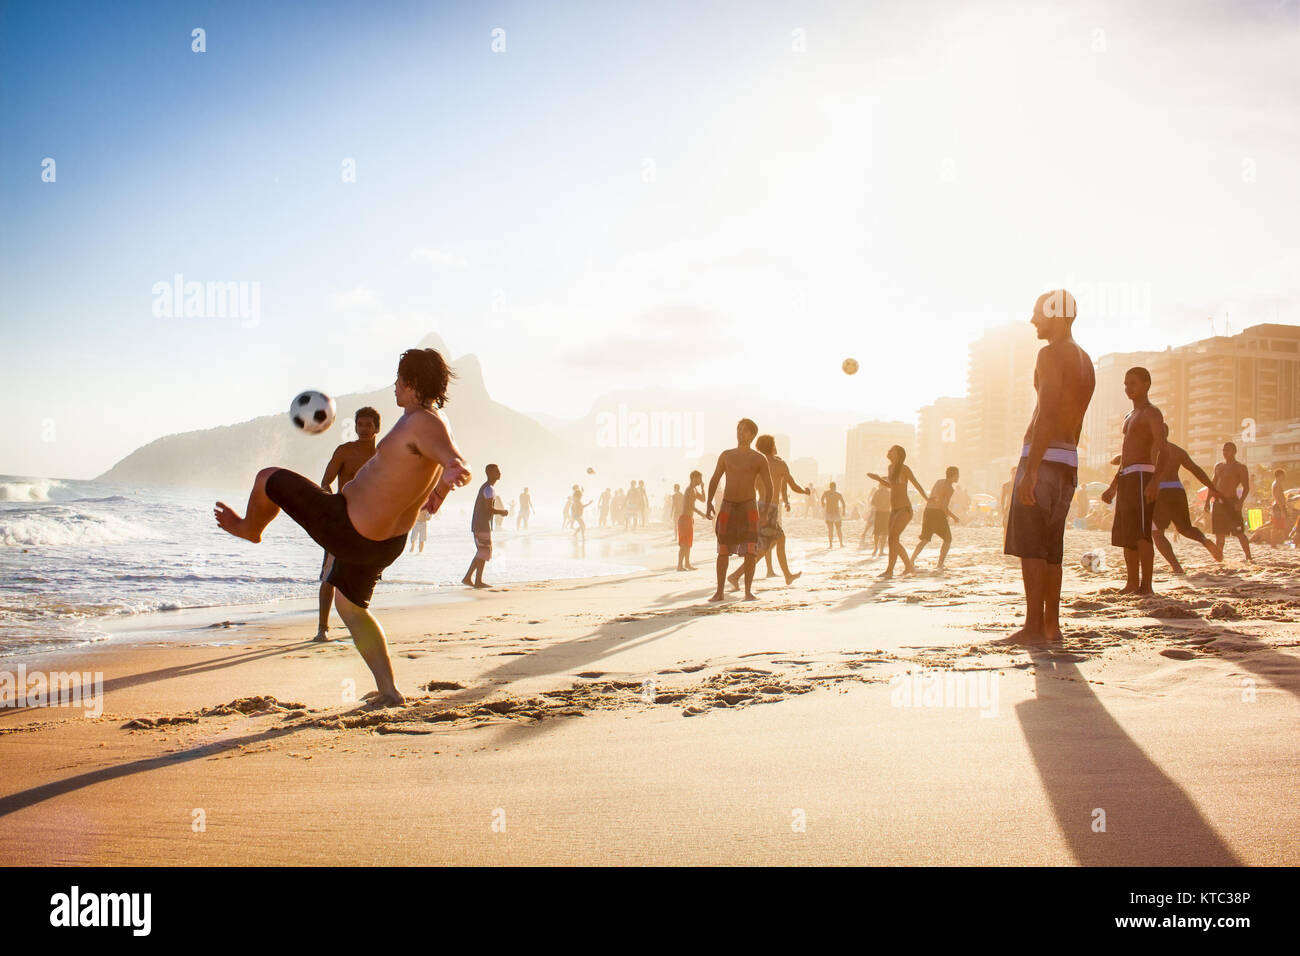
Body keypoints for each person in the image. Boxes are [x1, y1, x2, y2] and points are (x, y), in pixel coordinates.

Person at [214, 348, 471, 706]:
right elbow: (447, 459)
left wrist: (449, 480)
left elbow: (456, 463)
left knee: (267, 477)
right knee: (350, 608)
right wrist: (441, 487)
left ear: (411, 384)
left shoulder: (422, 423)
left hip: (348, 528)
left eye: (398, 379)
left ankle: (250, 529)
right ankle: (389, 691)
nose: (394, 386)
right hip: (383, 543)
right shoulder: (433, 419)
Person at [1001, 290, 1094, 645]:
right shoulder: (1085, 359)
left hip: (1044, 459)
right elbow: (1076, 422)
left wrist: (1033, 466)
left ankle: (1032, 627)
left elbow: (1049, 409)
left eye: (1038, 313)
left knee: (1031, 546)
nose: (1032, 320)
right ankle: (1051, 626)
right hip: (1068, 461)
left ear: (1056, 316)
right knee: (1052, 547)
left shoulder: (1050, 353)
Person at [313, 407, 381, 642]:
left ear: (376, 429)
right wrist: (333, 505)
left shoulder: (382, 455)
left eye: (368, 425)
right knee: (330, 575)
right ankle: (323, 628)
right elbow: (325, 482)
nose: (363, 429)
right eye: (360, 424)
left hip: (370, 522)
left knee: (363, 575)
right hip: (342, 520)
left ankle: (358, 627)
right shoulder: (345, 451)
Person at [1100, 367, 1164, 594]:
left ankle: (1146, 585)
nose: (1128, 388)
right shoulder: (1129, 416)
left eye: (1133, 383)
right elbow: (1125, 455)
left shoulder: (1152, 413)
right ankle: (1131, 583)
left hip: (1143, 476)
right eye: (1126, 384)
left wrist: (1155, 481)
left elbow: (1162, 449)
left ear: (1146, 384)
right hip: (1127, 476)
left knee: (1142, 533)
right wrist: (1113, 486)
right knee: (1128, 535)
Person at [706, 419, 773, 601]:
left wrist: (765, 511)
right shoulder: (727, 455)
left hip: (748, 506)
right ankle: (719, 592)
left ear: (752, 435)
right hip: (728, 505)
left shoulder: (759, 458)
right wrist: (709, 502)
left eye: (744, 430)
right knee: (723, 550)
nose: (740, 433)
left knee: (750, 551)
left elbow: (769, 486)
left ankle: (748, 592)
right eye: (738, 429)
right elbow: (714, 479)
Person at [729, 434, 807, 588]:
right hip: (770, 510)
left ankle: (787, 575)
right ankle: (735, 575)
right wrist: (805, 491)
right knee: (763, 549)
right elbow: (793, 485)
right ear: (772, 446)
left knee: (779, 539)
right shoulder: (780, 464)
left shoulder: (757, 463)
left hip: (759, 506)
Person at [1145, 424, 1224, 573]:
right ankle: (1204, 540)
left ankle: (1176, 567)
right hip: (1177, 490)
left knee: (1157, 534)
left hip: (1160, 492)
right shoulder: (1177, 450)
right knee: (1185, 528)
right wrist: (1212, 488)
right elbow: (1195, 469)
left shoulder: (1149, 450)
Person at [868, 445, 928, 578]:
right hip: (894, 509)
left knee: (893, 538)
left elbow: (916, 484)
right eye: (889, 450)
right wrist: (878, 479)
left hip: (904, 509)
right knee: (892, 539)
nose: (889, 451)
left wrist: (927, 499)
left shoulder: (904, 469)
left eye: (892, 450)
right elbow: (892, 486)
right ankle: (906, 567)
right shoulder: (890, 468)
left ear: (899, 454)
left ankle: (893, 570)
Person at [463, 464, 508, 588]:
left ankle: (472, 579)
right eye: (497, 471)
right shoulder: (489, 489)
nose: (499, 473)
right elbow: (488, 509)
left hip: (480, 524)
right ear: (490, 473)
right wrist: (502, 512)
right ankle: (474, 580)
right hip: (481, 524)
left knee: (483, 552)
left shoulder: (488, 487)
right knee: (484, 552)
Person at [911, 466, 961, 570]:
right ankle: (940, 564)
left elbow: (934, 498)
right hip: (937, 513)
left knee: (924, 539)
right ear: (954, 475)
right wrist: (954, 517)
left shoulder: (939, 481)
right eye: (958, 475)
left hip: (928, 511)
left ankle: (911, 561)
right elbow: (943, 507)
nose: (958, 477)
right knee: (948, 539)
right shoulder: (949, 488)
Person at [1209, 442, 1252, 560]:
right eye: (1223, 450)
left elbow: (1246, 487)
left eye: (1227, 450)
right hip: (1218, 503)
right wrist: (1208, 501)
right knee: (1219, 534)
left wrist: (1240, 502)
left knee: (1239, 532)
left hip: (1232, 502)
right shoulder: (1219, 466)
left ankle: (1248, 556)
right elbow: (1212, 485)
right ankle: (1219, 558)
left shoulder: (1240, 467)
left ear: (1234, 451)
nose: (1224, 452)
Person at [677, 471, 707, 571]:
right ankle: (680, 565)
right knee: (684, 543)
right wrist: (701, 513)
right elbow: (690, 506)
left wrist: (703, 488)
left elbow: (703, 499)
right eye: (699, 478)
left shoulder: (694, 489)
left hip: (689, 519)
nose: (700, 481)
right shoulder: (689, 490)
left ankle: (687, 564)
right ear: (694, 478)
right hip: (684, 518)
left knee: (688, 543)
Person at [860, 480, 892, 555]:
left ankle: (876, 549)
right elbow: (892, 503)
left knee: (877, 532)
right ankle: (880, 550)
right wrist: (885, 505)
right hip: (885, 513)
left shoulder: (878, 492)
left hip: (879, 513)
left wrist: (880, 504)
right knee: (883, 533)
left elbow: (873, 503)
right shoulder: (888, 493)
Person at [821, 482, 847, 548]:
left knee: (830, 530)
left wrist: (823, 504)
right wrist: (843, 512)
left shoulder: (826, 493)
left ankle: (830, 545)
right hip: (836, 513)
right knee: (838, 529)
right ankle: (841, 544)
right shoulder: (838, 494)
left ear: (830, 487)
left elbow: (822, 498)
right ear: (835, 487)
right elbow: (843, 504)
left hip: (829, 513)